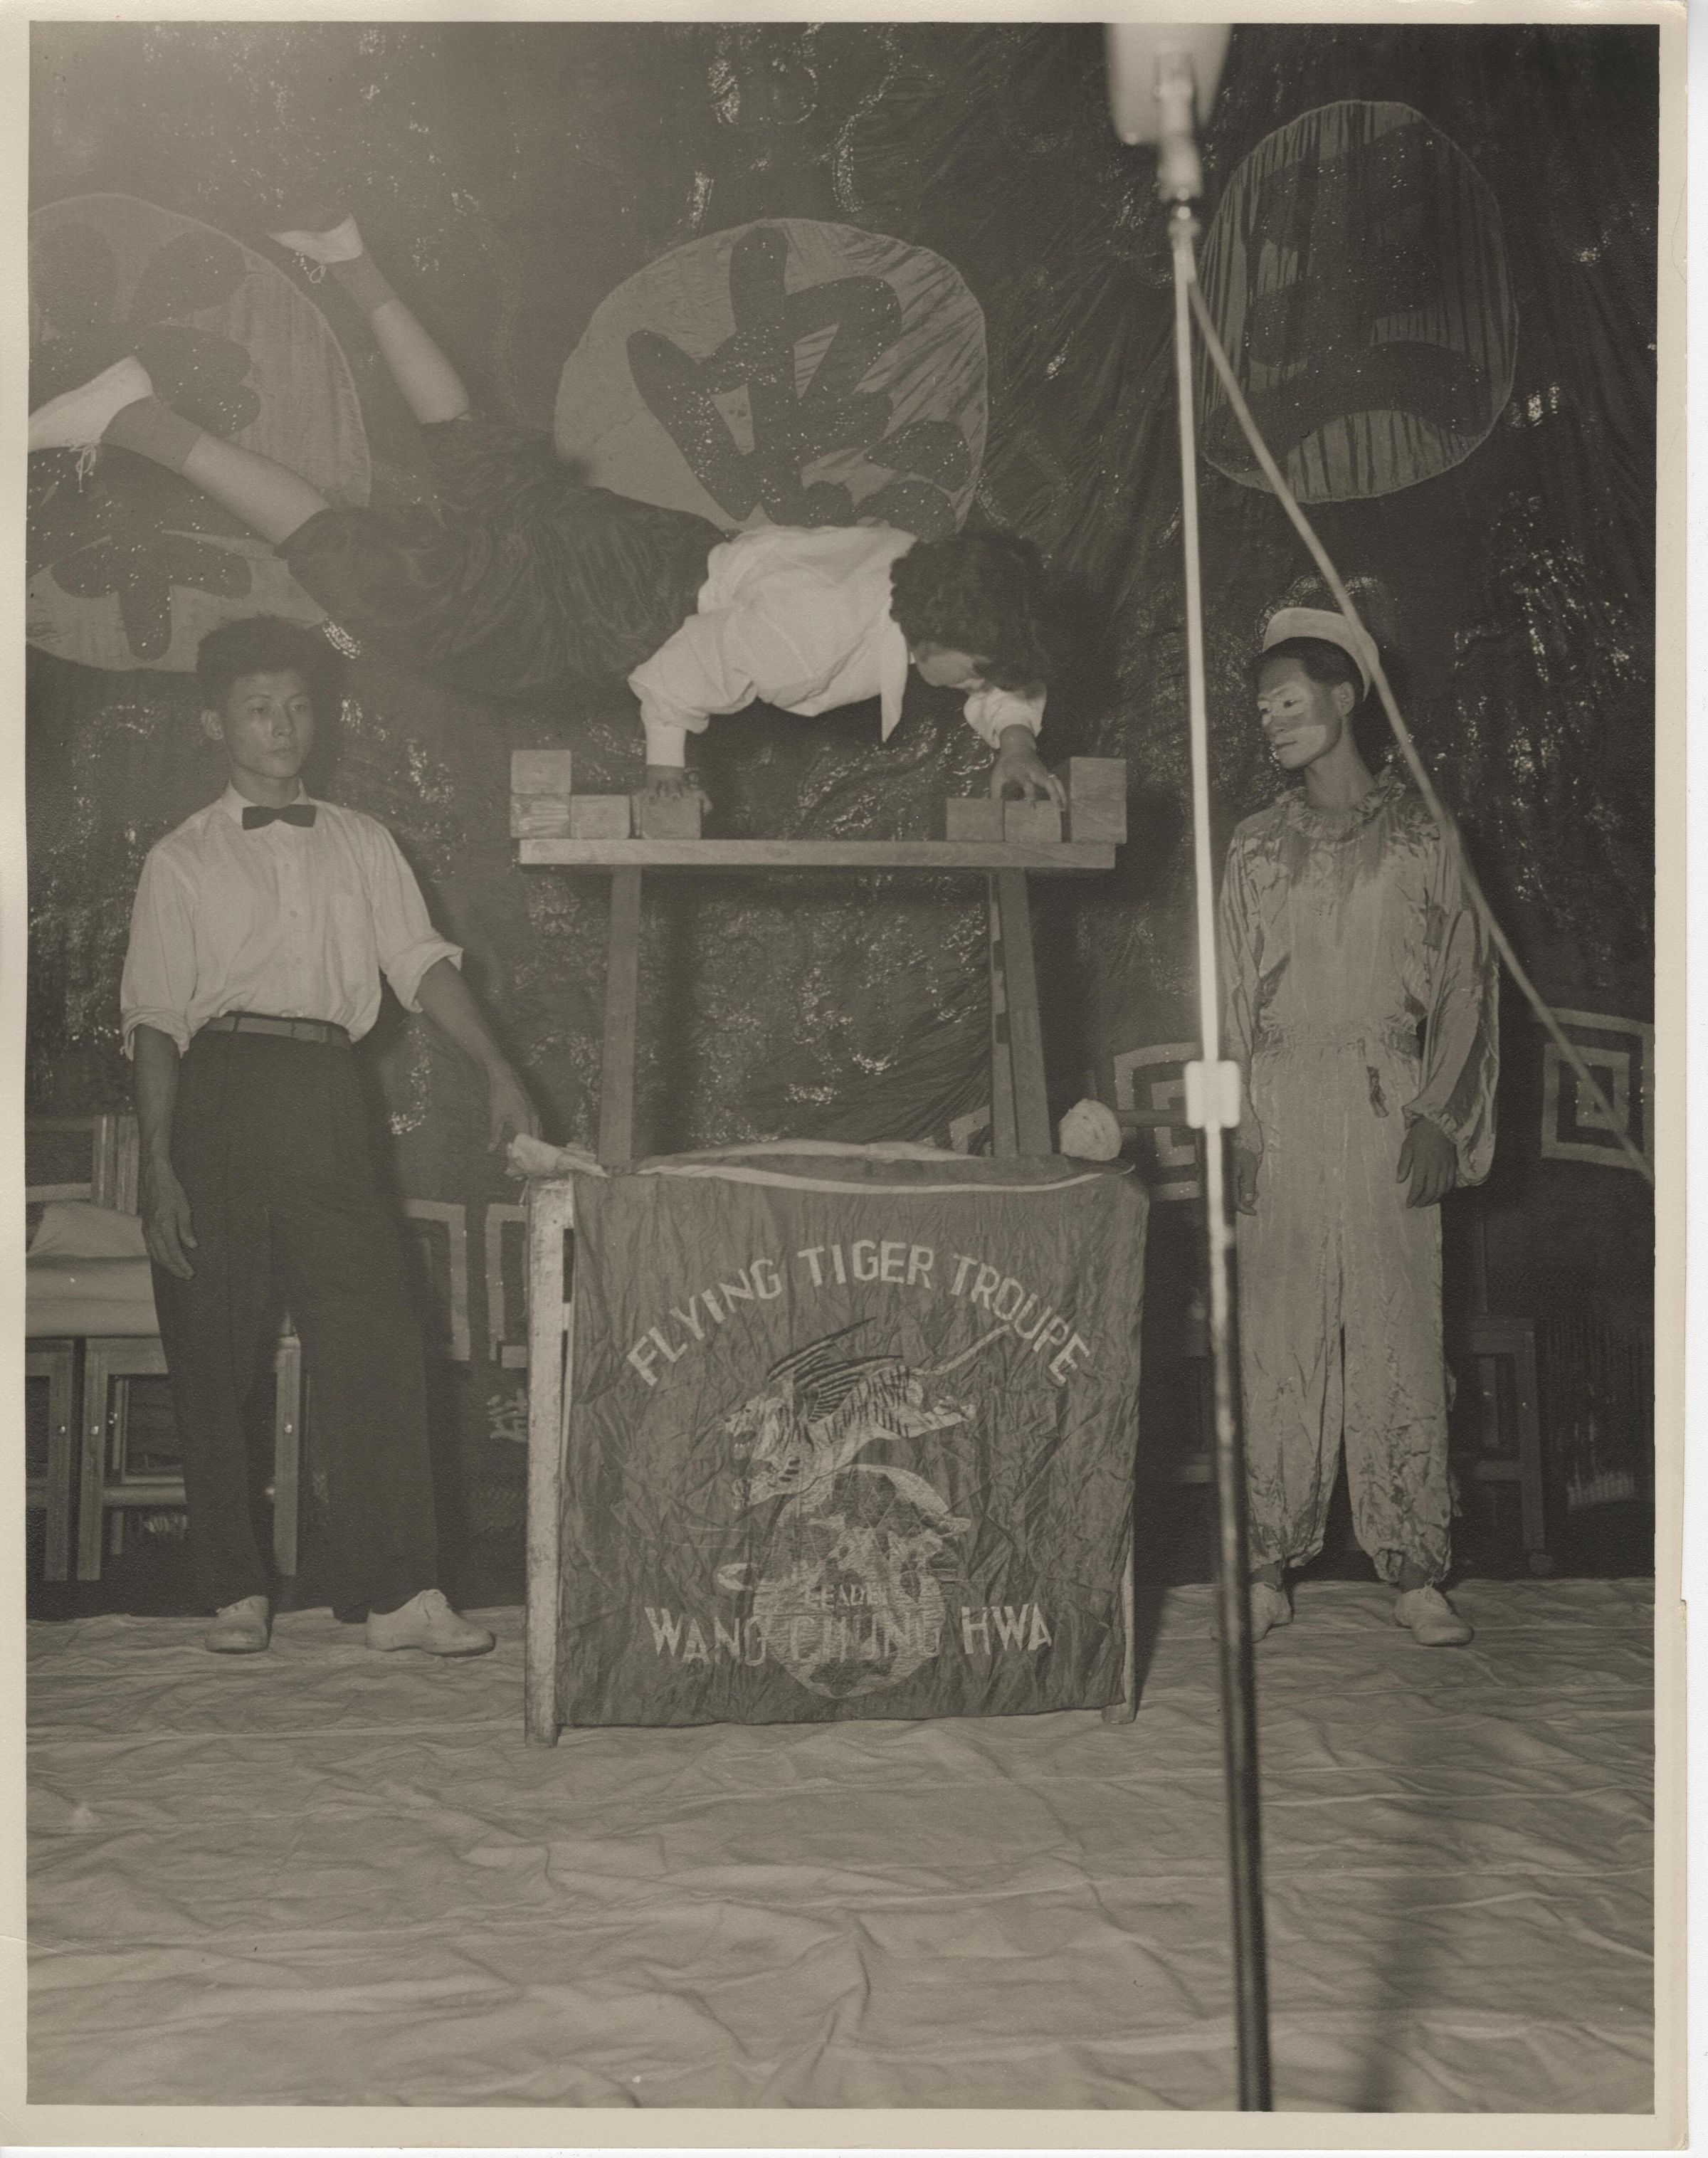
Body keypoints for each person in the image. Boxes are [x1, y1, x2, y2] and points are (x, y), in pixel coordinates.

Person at [30, 215, 1065, 815]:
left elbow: (1000, 660)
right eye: (974, 677)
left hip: (645, 548)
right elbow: (672, 678)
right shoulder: (811, 639)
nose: (971, 691)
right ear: (936, 637)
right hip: (602, 613)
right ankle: (136, 418)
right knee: (374, 581)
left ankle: (352, 255)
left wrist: (1013, 740)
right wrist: (666, 781)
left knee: (482, 459)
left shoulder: (917, 561)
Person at [121, 614, 539, 1656]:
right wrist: (161, 1163)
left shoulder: (363, 842)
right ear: (216, 721)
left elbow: (423, 964)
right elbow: (156, 1022)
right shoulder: (180, 859)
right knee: (212, 1342)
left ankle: (401, 1595)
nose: (283, 726)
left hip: (327, 1091)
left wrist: (499, 1068)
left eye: (300, 706)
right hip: (216, 1094)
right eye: (260, 708)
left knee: (377, 1338)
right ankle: (233, 1588)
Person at [1218, 606, 1499, 1648]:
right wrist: (1237, 1126)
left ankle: (1416, 1566)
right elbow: (1226, 999)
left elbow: (1468, 987)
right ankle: (1266, 1559)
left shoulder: (1427, 836)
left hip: (1390, 1107)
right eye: (1259, 711)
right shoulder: (1254, 848)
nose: (1271, 723)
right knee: (1279, 1332)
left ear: (1344, 699)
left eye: (1287, 701)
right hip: (1282, 1112)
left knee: (1396, 1327)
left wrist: (1440, 1115)